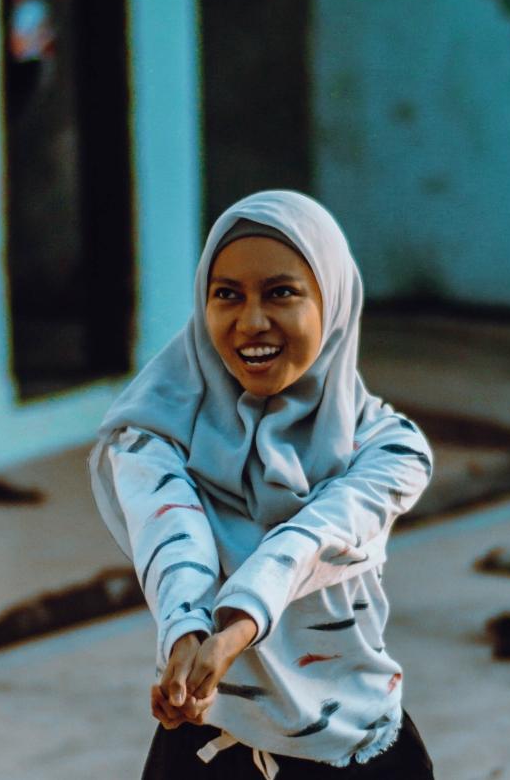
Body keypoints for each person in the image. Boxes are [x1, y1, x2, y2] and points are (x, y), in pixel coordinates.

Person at [91, 191, 437, 777]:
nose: (251, 322)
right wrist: (186, 636)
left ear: (332, 302)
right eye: (227, 294)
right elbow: (172, 537)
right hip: (209, 746)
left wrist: (233, 634)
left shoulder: (390, 449)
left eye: (281, 292)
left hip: (355, 746)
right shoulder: (150, 438)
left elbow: (315, 537)